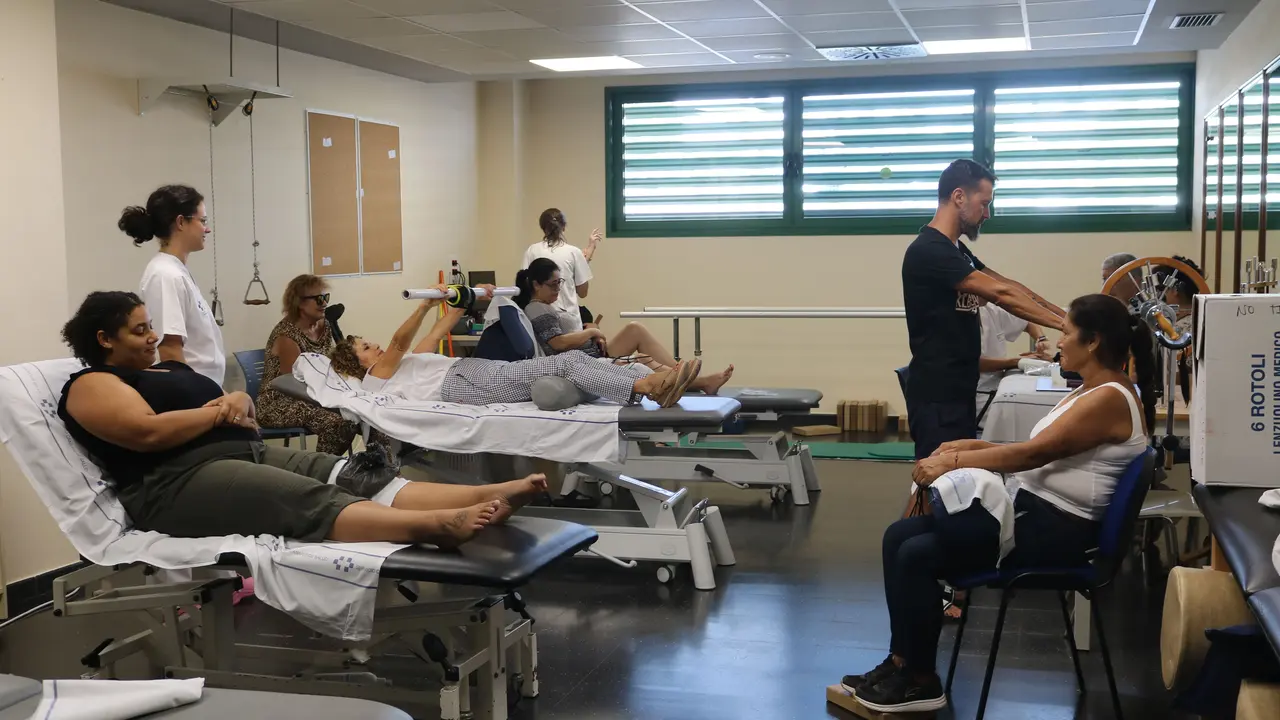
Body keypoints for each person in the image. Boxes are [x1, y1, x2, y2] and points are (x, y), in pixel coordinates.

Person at [843, 294, 1154, 713]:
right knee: (897, 536)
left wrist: (953, 461)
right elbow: (1037, 449)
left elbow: (1031, 457)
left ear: (1093, 341)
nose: (1059, 342)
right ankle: (902, 661)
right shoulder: (1092, 390)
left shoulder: (1108, 398)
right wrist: (973, 445)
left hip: (1060, 532)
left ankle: (920, 679)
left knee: (917, 554)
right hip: (1039, 514)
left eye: (1065, 333)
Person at [57, 291, 550, 546]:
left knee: (358, 472)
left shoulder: (167, 367)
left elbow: (237, 404)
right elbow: (146, 433)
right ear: (104, 340)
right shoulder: (92, 384)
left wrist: (237, 404)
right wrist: (217, 414)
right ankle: (437, 525)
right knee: (308, 498)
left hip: (240, 450)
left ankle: (486, 494)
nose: (151, 337)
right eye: (140, 330)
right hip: (178, 482)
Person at [901, 159, 1066, 466]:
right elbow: (1001, 294)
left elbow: (1007, 284)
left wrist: (1067, 316)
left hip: (961, 391)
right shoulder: (929, 251)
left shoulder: (957, 251)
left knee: (958, 480)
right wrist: (1066, 325)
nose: (987, 213)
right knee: (936, 480)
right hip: (937, 397)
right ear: (959, 197)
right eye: (984, 203)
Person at [330, 285, 702, 409]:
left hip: (471, 372)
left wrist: (471, 297)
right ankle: (644, 387)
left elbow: (442, 327)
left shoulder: (407, 364)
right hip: (460, 386)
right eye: (364, 346)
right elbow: (399, 340)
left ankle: (658, 379)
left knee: (571, 357)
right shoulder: (375, 379)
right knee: (568, 365)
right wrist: (423, 304)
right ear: (355, 364)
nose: (374, 345)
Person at [513, 259, 735, 395]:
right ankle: (699, 380)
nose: (558, 290)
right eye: (553, 285)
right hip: (585, 360)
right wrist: (591, 332)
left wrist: (590, 328)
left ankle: (687, 374)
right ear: (535, 285)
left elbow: (568, 330)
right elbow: (558, 343)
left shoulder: (548, 306)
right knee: (644, 359)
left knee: (635, 329)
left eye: (560, 284)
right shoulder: (536, 309)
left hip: (591, 351)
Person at [121, 185, 227, 387]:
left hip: (206, 390)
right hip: (194, 396)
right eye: (202, 221)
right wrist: (203, 398)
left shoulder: (176, 271)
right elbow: (170, 350)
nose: (207, 228)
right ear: (181, 222)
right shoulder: (165, 275)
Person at [255, 274, 364, 455]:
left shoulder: (325, 325)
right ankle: (320, 473)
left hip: (313, 395)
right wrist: (334, 402)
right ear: (299, 303)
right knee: (338, 424)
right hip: (280, 401)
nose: (324, 303)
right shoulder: (287, 335)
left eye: (325, 297)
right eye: (318, 299)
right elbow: (293, 386)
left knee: (364, 415)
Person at [521, 209, 600, 334]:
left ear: (543, 227)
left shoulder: (532, 251)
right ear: (563, 227)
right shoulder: (573, 252)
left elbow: (524, 284)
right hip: (569, 324)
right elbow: (583, 292)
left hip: (538, 321)